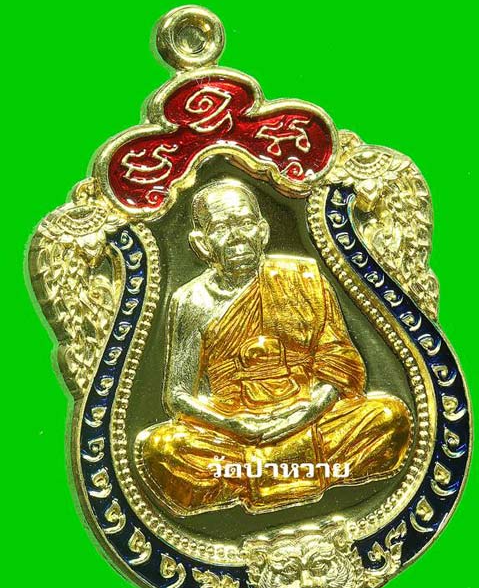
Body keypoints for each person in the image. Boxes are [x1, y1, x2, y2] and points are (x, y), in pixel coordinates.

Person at [137, 178, 412, 515]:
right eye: (221, 227)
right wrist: (239, 426)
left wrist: (304, 412)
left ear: (263, 230)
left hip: (309, 416)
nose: (237, 236)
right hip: (235, 429)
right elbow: (178, 395)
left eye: (244, 223)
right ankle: (306, 470)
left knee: (389, 418)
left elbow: (338, 364)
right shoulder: (192, 301)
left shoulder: (304, 279)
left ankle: (247, 478)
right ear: (201, 243)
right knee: (163, 449)